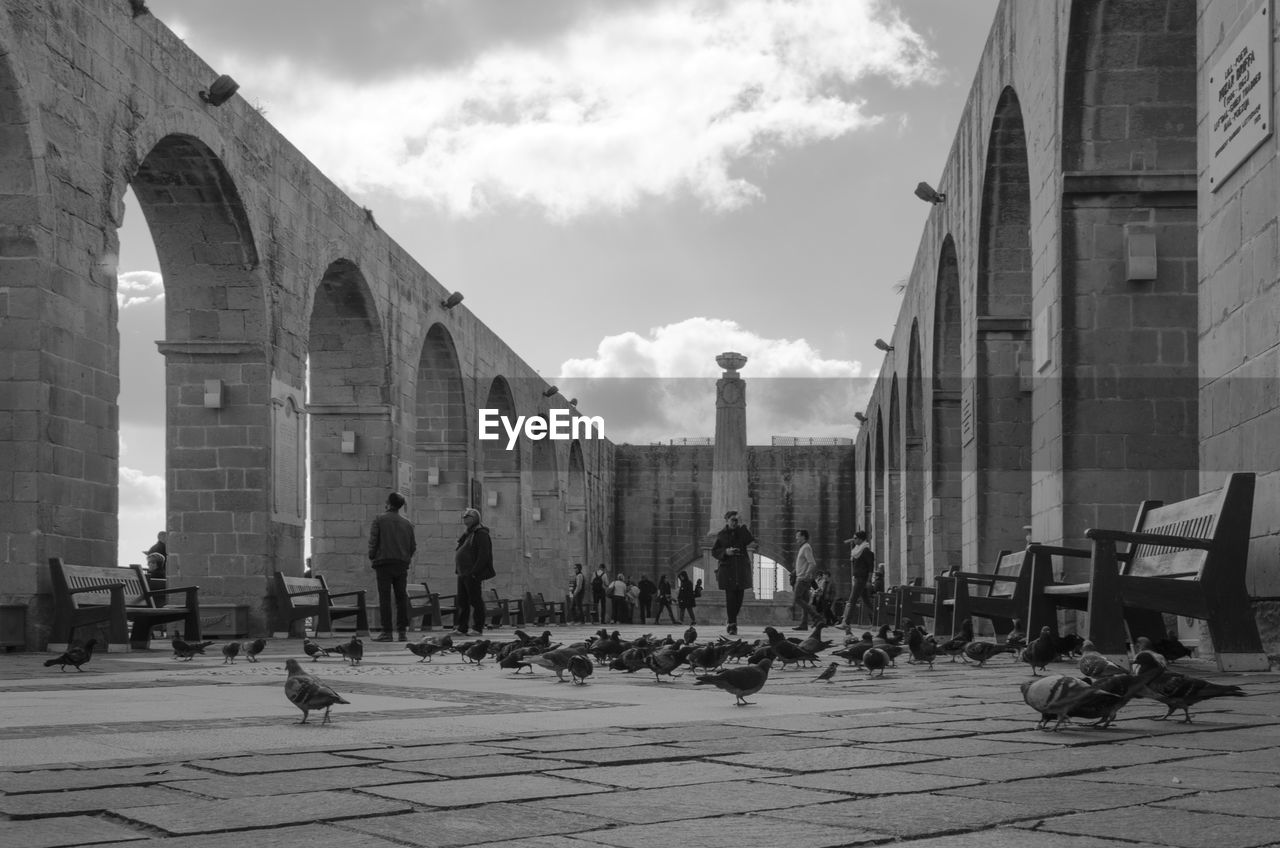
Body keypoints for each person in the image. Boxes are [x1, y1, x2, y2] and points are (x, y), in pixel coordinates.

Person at [367, 492, 416, 642]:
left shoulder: (379, 520)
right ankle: (402, 632)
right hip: (401, 563)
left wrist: (372, 555)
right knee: (401, 598)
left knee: (385, 598)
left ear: (388, 503)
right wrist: (405, 558)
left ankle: (387, 632)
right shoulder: (407, 523)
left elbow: (374, 541)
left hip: (384, 562)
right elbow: (412, 546)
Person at [711, 509, 756, 636]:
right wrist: (725, 552)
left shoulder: (741, 532)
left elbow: (749, 539)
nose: (734, 523)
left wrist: (742, 525)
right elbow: (715, 551)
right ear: (727, 520)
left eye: (736, 520)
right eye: (733, 520)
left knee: (739, 599)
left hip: (741, 569)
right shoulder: (722, 534)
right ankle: (732, 625)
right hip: (728, 570)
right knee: (730, 598)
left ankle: (731, 620)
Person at [454, 507, 494, 635]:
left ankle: (477, 627)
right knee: (462, 601)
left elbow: (483, 555)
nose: (465, 519)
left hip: (472, 572)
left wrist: (474, 571)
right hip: (463, 572)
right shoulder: (468, 533)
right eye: (464, 517)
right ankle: (462, 627)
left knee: (475, 600)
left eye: (468, 517)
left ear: (475, 518)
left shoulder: (481, 533)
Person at [841, 530, 876, 631]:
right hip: (857, 578)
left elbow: (870, 568)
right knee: (866, 601)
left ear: (861, 539)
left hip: (862, 579)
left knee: (852, 600)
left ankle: (846, 622)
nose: (854, 540)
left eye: (855, 538)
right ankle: (877, 621)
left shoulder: (866, 551)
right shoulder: (856, 551)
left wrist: (869, 581)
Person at [791, 529, 823, 631]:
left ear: (803, 537)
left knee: (797, 598)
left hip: (802, 579)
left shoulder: (806, 547)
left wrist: (806, 574)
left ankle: (816, 616)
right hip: (801, 577)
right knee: (804, 601)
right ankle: (803, 624)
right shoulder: (803, 548)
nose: (796, 538)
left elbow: (812, 563)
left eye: (798, 536)